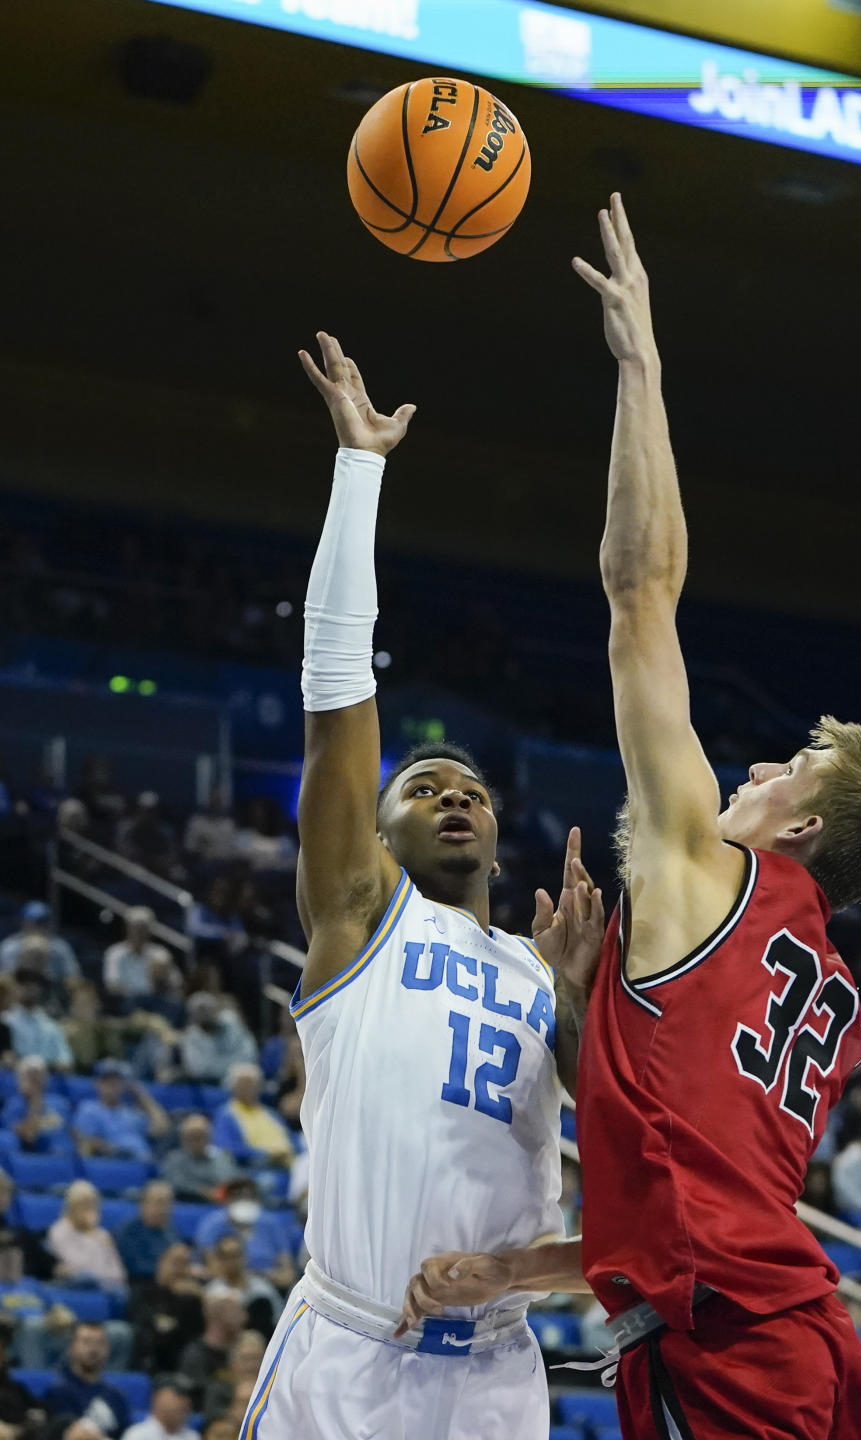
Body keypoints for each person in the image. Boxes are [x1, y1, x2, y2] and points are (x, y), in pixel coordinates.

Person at [398, 198, 861, 1440]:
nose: (759, 761)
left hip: (741, 1364)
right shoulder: (825, 995)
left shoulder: (710, 867)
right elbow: (687, 1197)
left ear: (804, 828)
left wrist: (640, 362)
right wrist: (589, 1017)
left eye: (795, 763)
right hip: (770, 1342)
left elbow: (641, 592)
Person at [237, 332, 603, 1440]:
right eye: (424, 786)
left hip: (497, 1370)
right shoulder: (361, 917)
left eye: (473, 792)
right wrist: (361, 471)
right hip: (348, 1355)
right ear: (379, 834)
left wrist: (584, 1007)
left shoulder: (547, 974)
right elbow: (336, 683)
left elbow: (642, 1193)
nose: (453, 797)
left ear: (496, 837)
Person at [193, 1179, 294, 1294]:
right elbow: (214, 1269)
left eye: (249, 1196)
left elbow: (288, 1273)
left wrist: (264, 1279)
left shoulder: (271, 1223)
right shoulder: (212, 1224)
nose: (244, 1201)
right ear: (227, 1200)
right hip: (226, 1286)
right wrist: (244, 1278)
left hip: (269, 1286)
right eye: (237, 1196)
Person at [44, 1324, 131, 1439]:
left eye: (100, 1343)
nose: (94, 1348)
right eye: (86, 1342)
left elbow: (129, 1434)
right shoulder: (58, 1391)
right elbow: (74, 1434)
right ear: (70, 1348)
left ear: (108, 1350)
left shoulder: (116, 1396)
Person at [129, 1244, 204, 1375]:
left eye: (185, 1264)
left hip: (187, 1363)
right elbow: (149, 1328)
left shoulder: (193, 1299)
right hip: (155, 1362)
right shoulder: (143, 1293)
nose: (180, 1270)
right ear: (161, 1263)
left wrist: (201, 1297)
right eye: (176, 1263)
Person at [73, 1061, 169, 1160]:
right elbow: (84, 1141)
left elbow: (161, 1129)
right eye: (106, 1081)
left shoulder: (132, 1112)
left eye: (116, 1081)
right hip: (114, 1161)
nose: (111, 1085)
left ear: (123, 1085)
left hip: (145, 1161)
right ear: (97, 1084)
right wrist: (113, 1150)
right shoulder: (89, 1109)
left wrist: (142, 1095)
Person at [46, 1182, 127, 1292]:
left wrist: (94, 1235)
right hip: (73, 1284)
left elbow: (119, 1273)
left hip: (105, 1285)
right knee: (88, 1279)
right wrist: (91, 1238)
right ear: (71, 1207)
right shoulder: (59, 1230)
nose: (88, 1209)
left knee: (121, 1290)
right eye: (83, 1205)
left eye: (92, 1205)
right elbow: (77, 1266)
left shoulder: (102, 1234)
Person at [210, 1065, 293, 1168]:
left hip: (289, 1163)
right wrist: (266, 1155)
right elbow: (226, 1149)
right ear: (233, 1088)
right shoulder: (226, 1114)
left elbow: (291, 1139)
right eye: (243, 1085)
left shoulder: (271, 1114)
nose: (248, 1089)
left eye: (252, 1085)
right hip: (255, 1167)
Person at [176, 1294, 245, 1409]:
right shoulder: (195, 1354)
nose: (243, 1317)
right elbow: (196, 1395)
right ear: (216, 1316)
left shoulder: (242, 1352)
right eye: (234, 1312)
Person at [204, 1235, 281, 1333]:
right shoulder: (212, 1292)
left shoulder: (262, 1288)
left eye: (237, 1255)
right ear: (220, 1260)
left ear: (245, 1256)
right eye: (228, 1256)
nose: (234, 1261)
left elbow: (278, 1319)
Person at [102, 911, 177, 1008]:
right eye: (135, 928)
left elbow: (175, 982)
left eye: (143, 928)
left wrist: (161, 978)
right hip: (126, 1001)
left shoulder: (160, 953)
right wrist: (133, 997)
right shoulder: (115, 953)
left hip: (155, 1000)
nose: (139, 932)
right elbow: (112, 985)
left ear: (149, 931)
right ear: (127, 928)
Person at [1, 1056, 73, 1153]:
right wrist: (35, 1100)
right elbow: (29, 1136)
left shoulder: (60, 1102)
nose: (34, 1080)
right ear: (19, 1080)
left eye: (38, 1075)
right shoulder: (13, 1105)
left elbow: (74, 1133)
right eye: (29, 1076)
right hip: (42, 1159)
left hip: (69, 1157)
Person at [179, 996, 256, 1086]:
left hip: (237, 1081)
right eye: (199, 1012)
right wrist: (229, 1066)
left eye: (208, 1010)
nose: (204, 1014)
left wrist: (224, 1069)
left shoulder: (232, 1025)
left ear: (216, 1011)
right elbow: (198, 1070)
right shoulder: (191, 1038)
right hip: (207, 1085)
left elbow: (249, 1056)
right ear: (193, 1017)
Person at [0, 973, 73, 1069]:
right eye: (24, 984)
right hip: (12, 1077)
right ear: (16, 988)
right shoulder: (5, 1021)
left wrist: (41, 1067)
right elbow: (7, 1059)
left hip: (48, 1077)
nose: (29, 989)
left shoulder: (50, 1024)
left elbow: (66, 1061)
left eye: (33, 985)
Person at [113, 1184, 179, 1285]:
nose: (164, 1209)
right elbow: (133, 1267)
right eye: (159, 1203)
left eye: (168, 1203)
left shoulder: (172, 1231)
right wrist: (168, 1272)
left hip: (172, 1283)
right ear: (143, 1205)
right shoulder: (128, 1231)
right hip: (142, 1287)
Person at [0, 902, 79, 986]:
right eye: (34, 922)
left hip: (51, 993)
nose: (39, 926)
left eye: (43, 922)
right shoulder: (9, 947)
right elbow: (4, 979)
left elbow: (74, 977)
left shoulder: (60, 947)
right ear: (23, 922)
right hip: (17, 991)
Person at [161, 1117, 238, 1203]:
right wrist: (202, 1191)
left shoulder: (222, 1157)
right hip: (187, 1203)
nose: (196, 1141)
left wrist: (219, 1192)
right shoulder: (174, 1158)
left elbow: (231, 1180)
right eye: (191, 1137)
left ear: (209, 1137)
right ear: (182, 1140)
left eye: (200, 1136)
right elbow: (175, 1183)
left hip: (220, 1203)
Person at [117, 1379, 197, 1440]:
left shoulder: (192, 1436)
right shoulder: (137, 1435)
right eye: (177, 1395)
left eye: (187, 1397)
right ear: (157, 1398)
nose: (183, 1402)